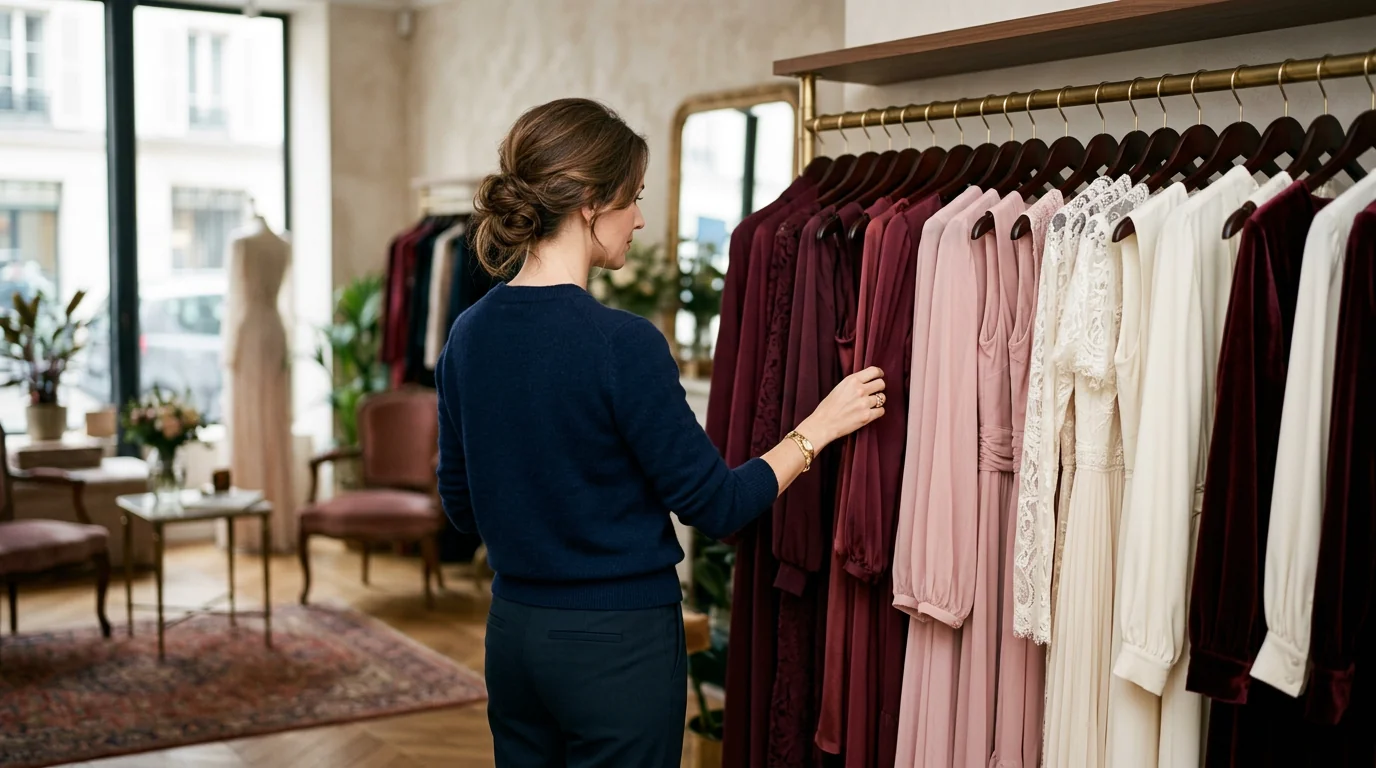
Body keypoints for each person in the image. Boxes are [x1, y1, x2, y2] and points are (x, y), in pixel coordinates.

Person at [434, 97, 886, 768]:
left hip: (514, 637)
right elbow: (717, 505)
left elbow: (463, 509)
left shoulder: (468, 333)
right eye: (632, 198)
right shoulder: (621, 344)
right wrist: (818, 427)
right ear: (589, 203)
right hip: (618, 647)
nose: (640, 219)